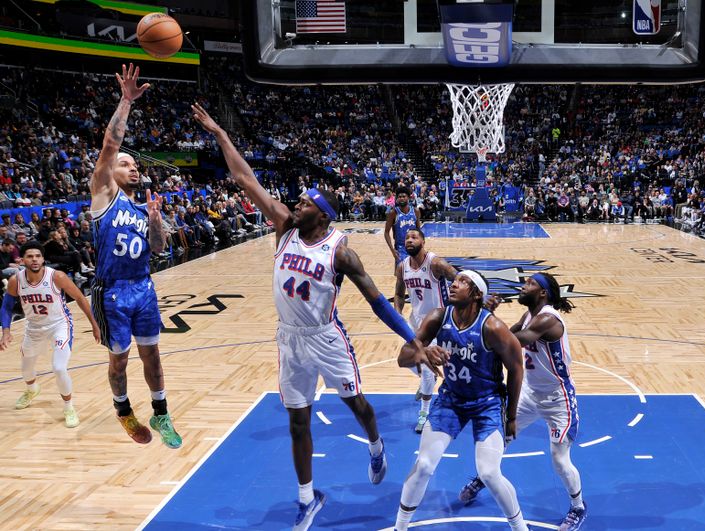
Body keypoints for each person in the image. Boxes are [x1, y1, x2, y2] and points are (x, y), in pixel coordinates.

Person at [191, 103, 426, 531]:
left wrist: (414, 338)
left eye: (303, 203)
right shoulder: (283, 227)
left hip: (325, 337)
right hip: (289, 338)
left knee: (356, 404)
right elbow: (246, 179)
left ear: (322, 213)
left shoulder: (341, 251)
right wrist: (220, 133)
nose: (294, 205)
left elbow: (378, 302)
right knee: (297, 420)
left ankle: (376, 447)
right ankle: (306, 498)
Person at [89, 64, 181, 448]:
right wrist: (126, 101)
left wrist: (157, 221)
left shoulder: (143, 208)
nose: (133, 167)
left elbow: (159, 248)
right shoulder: (103, 195)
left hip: (143, 287)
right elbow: (111, 145)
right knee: (120, 360)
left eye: (136, 164)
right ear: (111, 170)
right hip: (111, 291)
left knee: (153, 355)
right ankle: (124, 410)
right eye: (126, 163)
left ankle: (161, 414)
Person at [394, 270, 527, 531]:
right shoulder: (437, 317)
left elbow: (517, 368)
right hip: (451, 399)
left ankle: (520, 528)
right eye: (454, 281)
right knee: (423, 465)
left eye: (463, 282)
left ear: (477, 294)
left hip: (487, 402)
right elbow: (403, 357)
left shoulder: (493, 328)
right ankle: (400, 527)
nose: (454, 284)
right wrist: (422, 352)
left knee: (489, 473)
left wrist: (511, 416)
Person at [458, 272, 587, 531]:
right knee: (501, 436)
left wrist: (484, 317)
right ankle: (488, 476)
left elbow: (513, 343)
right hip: (530, 392)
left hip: (557, 398)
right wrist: (487, 316)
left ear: (543, 293)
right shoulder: (529, 316)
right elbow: (503, 333)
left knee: (560, 460)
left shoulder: (548, 320)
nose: (522, 286)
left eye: (529, 284)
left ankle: (578, 507)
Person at [0, 242, 101, 427]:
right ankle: (32, 390)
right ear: (22, 260)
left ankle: (69, 407)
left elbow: (79, 297)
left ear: (43, 258)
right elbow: (6, 307)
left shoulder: (57, 276)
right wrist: (5, 331)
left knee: (59, 368)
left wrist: (94, 324)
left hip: (59, 325)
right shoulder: (16, 280)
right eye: (30, 256)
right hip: (33, 327)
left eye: (38, 256)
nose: (34, 259)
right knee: (26, 369)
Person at [393, 228, 457, 433]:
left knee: (428, 370)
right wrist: (397, 315)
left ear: (423, 241)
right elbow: (398, 293)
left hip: (437, 322)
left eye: (414, 237)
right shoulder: (403, 266)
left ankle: (424, 412)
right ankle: (425, 382)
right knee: (406, 360)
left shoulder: (436, 263)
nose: (409, 240)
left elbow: (459, 278)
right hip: (415, 320)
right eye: (407, 238)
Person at [384, 185, 421, 270]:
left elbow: (419, 230)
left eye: (404, 196)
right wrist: (392, 250)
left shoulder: (416, 211)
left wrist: (421, 245)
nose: (401, 198)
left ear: (408, 198)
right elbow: (386, 233)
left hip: (414, 247)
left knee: (415, 275)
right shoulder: (393, 213)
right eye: (399, 197)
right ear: (397, 198)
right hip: (400, 249)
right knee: (401, 277)